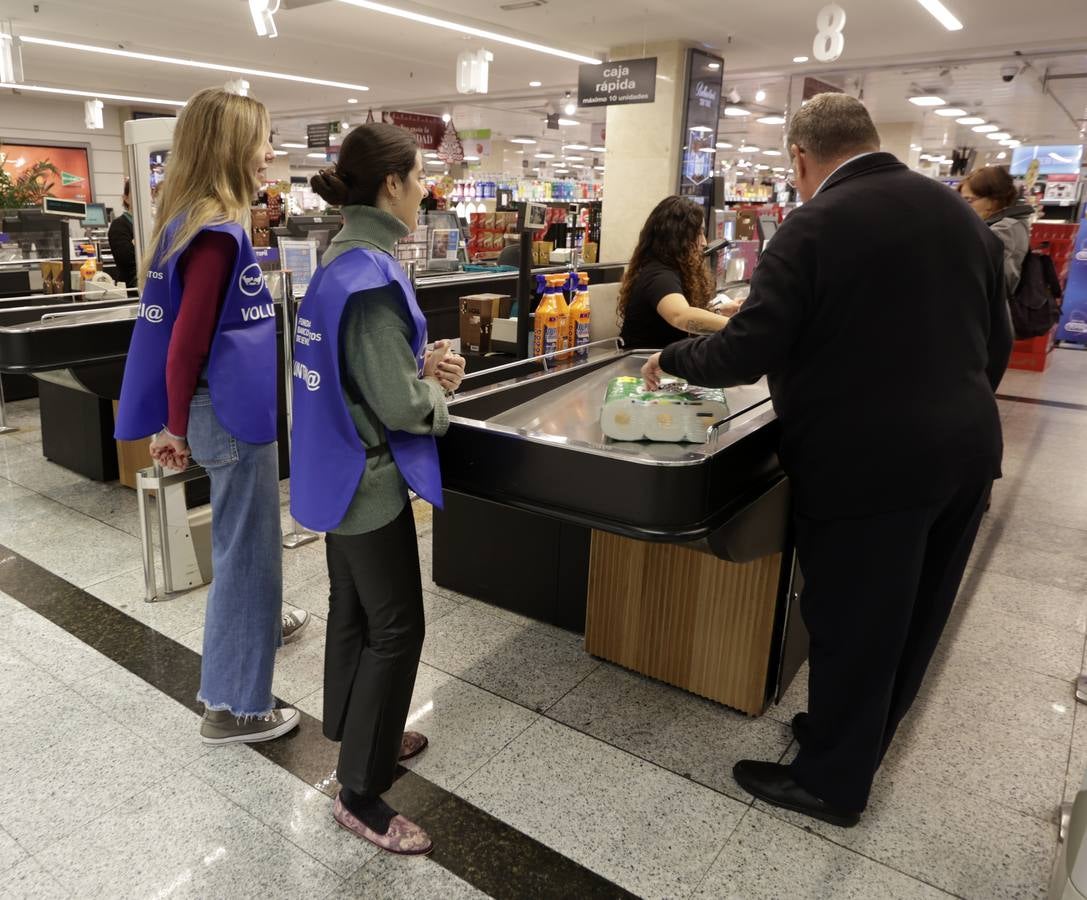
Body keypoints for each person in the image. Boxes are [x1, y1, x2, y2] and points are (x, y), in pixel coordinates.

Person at [642, 93, 1012, 827]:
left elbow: (747, 348)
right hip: (965, 452)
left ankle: (830, 784)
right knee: (912, 618)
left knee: (851, 621)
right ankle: (851, 743)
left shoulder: (811, 226)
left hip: (868, 468)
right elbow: (993, 344)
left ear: (800, 159)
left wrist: (674, 356)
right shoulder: (960, 219)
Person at [289, 122, 465, 855]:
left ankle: (363, 731)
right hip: (368, 481)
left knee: (354, 613)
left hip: (333, 464)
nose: (426, 189)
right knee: (398, 628)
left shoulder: (339, 261)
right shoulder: (369, 278)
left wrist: (408, 368)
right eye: (420, 174)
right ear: (390, 183)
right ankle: (360, 791)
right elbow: (398, 405)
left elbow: (362, 370)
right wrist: (433, 392)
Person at [115, 87, 309, 746]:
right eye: (261, 138)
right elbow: (186, 343)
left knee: (241, 543)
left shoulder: (193, 223)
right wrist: (173, 427)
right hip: (226, 411)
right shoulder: (219, 236)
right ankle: (234, 706)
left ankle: (255, 625)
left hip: (216, 408)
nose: (268, 152)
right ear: (230, 147)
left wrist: (173, 420)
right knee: (247, 550)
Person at [618, 195, 732, 349]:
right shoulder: (659, 275)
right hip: (644, 364)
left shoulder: (671, 270)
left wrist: (718, 311)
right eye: (698, 234)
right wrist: (740, 326)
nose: (704, 242)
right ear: (678, 237)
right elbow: (681, 316)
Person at [958, 166, 1034, 297]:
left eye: (969, 200)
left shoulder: (1002, 230)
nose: (963, 207)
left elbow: (991, 283)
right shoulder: (1010, 224)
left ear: (993, 201)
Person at [107, 178, 137, 290]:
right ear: (126, 199)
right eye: (135, 193)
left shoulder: (152, 224)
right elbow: (128, 260)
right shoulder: (119, 225)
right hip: (132, 287)